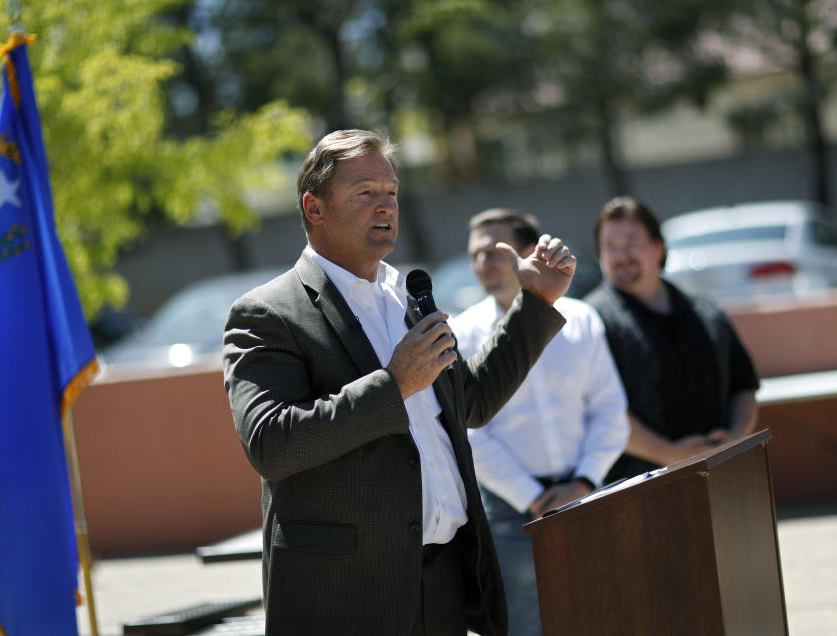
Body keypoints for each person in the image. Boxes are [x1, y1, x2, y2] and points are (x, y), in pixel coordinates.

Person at [222, 129, 577, 636]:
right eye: (365, 192)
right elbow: (272, 443)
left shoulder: (408, 295)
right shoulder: (268, 313)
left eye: (391, 192)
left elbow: (468, 402)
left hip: (445, 583)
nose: (384, 205)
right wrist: (393, 385)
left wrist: (535, 305)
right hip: (348, 597)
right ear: (314, 208)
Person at [450, 209, 629, 636]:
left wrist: (583, 482)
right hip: (510, 513)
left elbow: (610, 413)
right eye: (475, 255)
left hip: (589, 497)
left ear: (530, 252)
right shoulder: (463, 330)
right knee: (525, 629)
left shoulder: (582, 318)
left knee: (602, 616)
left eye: (494, 252)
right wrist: (535, 499)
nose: (482, 264)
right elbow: (470, 433)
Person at [584, 196, 760, 484]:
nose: (621, 255)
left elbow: (744, 385)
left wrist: (737, 438)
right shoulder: (591, 321)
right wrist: (670, 454)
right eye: (610, 247)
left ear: (658, 247)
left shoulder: (706, 311)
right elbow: (599, 411)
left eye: (631, 242)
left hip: (721, 477)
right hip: (636, 488)